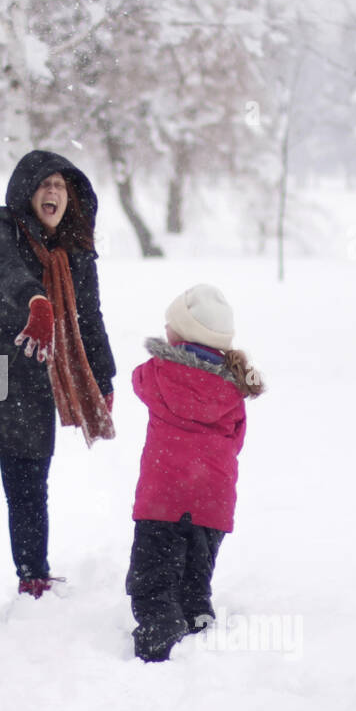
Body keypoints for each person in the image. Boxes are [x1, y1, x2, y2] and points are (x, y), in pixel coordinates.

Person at [0, 150, 116, 632]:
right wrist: (34, 298)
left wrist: (104, 380)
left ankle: (33, 582)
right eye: (44, 183)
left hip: (25, 368)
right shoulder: (0, 226)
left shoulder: (74, 255)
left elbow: (89, 320)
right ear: (26, 190)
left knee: (30, 476)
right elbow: (1, 264)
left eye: (62, 185)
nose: (53, 193)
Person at [124, 283, 264, 662]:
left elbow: (136, 380)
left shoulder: (158, 374)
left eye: (170, 325)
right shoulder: (233, 387)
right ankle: (198, 620)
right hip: (212, 501)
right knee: (194, 579)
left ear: (181, 334)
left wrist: (164, 355)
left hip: (162, 497)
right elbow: (236, 440)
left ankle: (159, 633)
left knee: (152, 579)